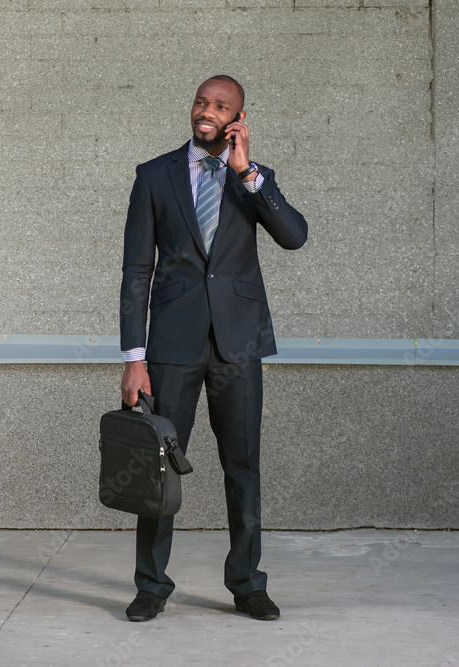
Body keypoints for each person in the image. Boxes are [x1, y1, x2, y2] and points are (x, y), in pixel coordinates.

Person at [118, 75, 307, 622]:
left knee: (243, 465)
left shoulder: (253, 179)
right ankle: (151, 584)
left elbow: (294, 236)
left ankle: (247, 582)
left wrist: (248, 172)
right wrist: (134, 358)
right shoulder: (154, 176)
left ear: (237, 118)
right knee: (159, 468)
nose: (208, 110)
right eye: (202, 101)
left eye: (221, 106)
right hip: (171, 346)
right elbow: (136, 270)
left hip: (238, 344)